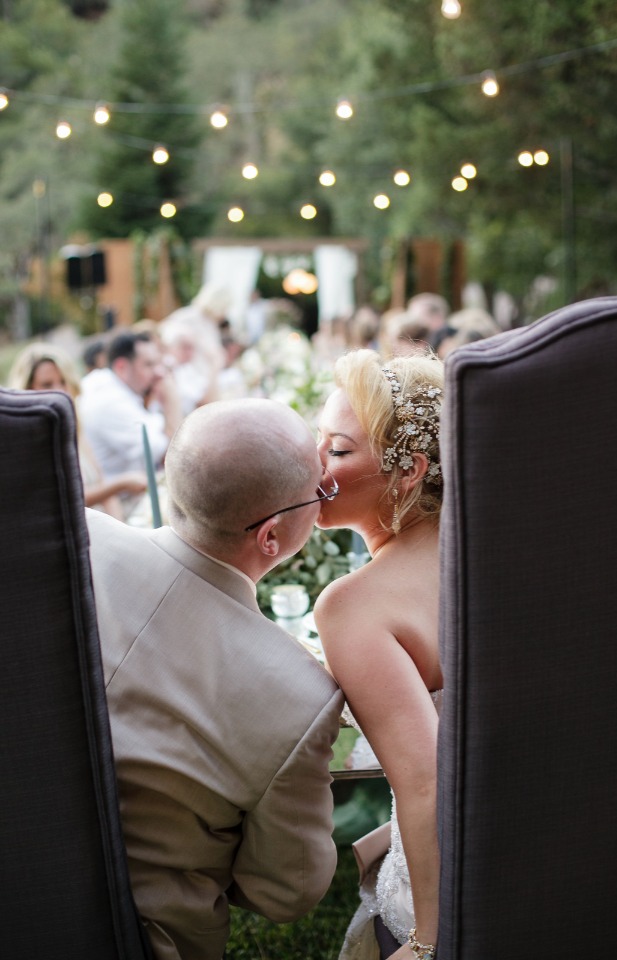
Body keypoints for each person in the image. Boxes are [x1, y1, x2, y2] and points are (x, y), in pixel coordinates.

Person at [86, 398, 344, 960]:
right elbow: (286, 891)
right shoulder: (299, 697)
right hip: (144, 938)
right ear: (270, 538)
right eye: (321, 493)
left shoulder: (80, 542)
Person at [314, 349, 445, 960]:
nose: (311, 464)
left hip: (446, 886)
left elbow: (426, 783)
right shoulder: (494, 550)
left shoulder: (352, 608)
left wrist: (428, 942)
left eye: (337, 451)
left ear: (410, 469)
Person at [6, 341, 147, 519]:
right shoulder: (27, 444)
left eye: (63, 382)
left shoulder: (75, 427)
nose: (59, 391)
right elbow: (63, 499)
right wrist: (122, 483)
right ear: (26, 388)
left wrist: (121, 529)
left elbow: (103, 486)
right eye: (47, 384)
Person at [80, 330, 182, 515]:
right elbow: (173, 456)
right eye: (149, 365)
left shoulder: (117, 390)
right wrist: (172, 402)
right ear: (121, 367)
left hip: (131, 499)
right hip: (120, 508)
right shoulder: (109, 401)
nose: (159, 373)